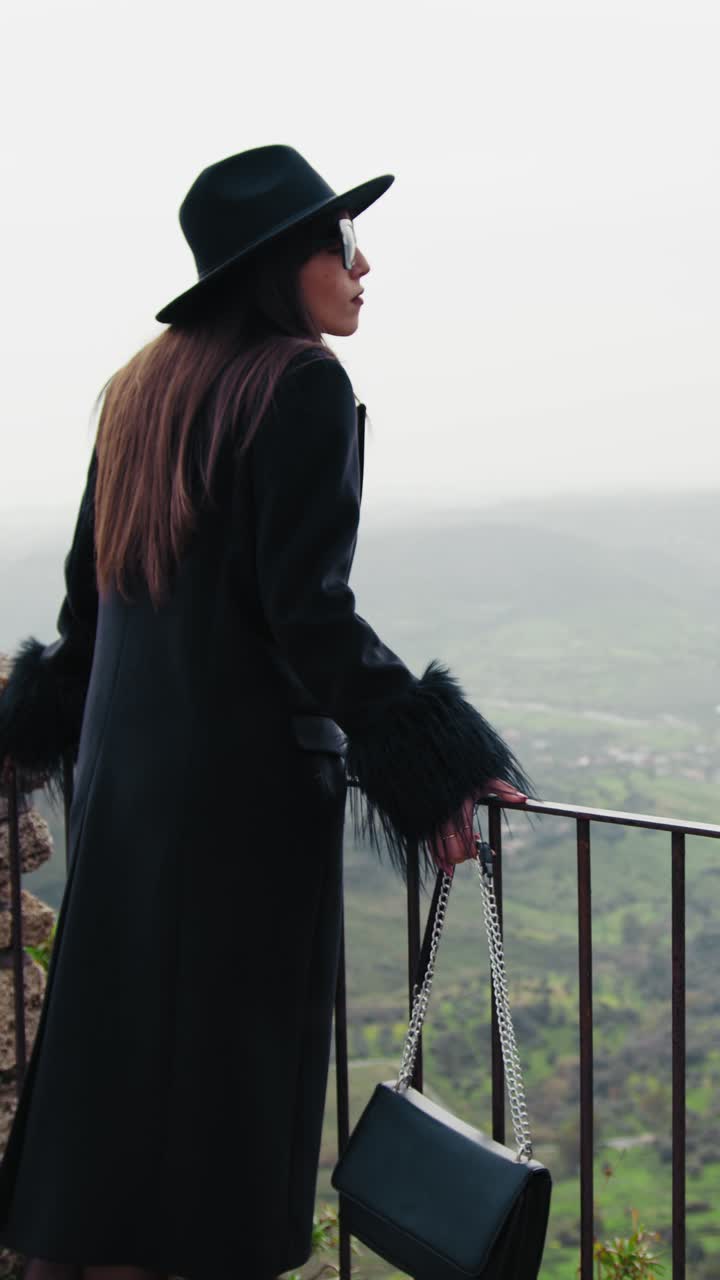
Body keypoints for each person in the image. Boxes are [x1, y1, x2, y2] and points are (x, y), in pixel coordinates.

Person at [0, 145, 530, 1280]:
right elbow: (312, 615)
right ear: (284, 262)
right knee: (221, 1126)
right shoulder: (299, 382)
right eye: (344, 241)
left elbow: (86, 617)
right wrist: (438, 756)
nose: (363, 262)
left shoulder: (140, 389)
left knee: (127, 1102)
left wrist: (39, 726)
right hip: (240, 817)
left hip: (128, 808)